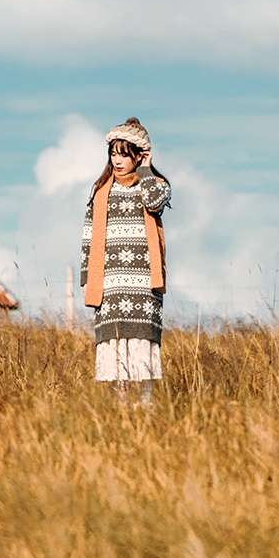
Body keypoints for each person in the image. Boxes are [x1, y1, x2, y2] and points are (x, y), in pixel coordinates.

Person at [81, 117, 172, 406]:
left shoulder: (156, 184)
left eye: (125, 154)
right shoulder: (100, 193)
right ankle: (119, 412)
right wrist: (87, 281)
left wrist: (145, 170)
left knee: (142, 349)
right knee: (114, 351)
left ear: (139, 155)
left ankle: (146, 409)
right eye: (113, 154)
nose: (117, 161)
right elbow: (87, 239)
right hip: (109, 288)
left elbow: (155, 202)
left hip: (144, 288)